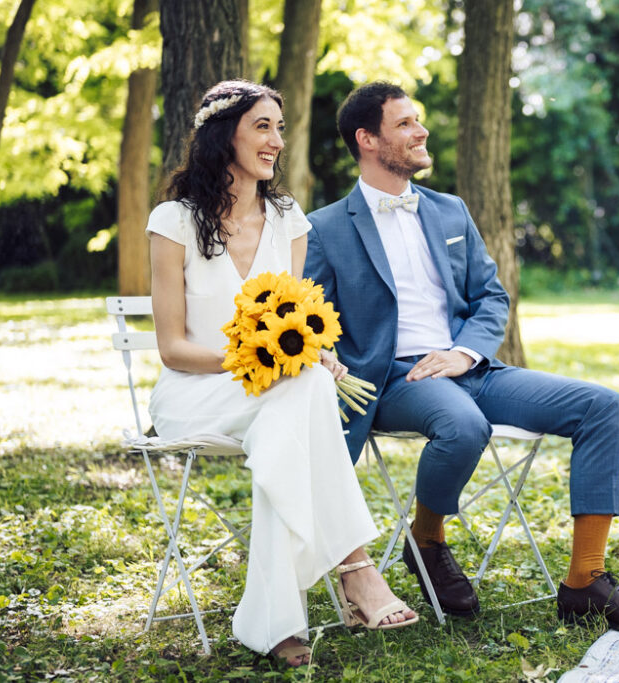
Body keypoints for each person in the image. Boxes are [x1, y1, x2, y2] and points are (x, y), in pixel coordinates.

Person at [304, 81, 619, 633]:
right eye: (404, 123)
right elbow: (312, 317)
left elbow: (491, 297)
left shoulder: (451, 211)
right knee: (464, 426)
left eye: (418, 120)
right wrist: (332, 364)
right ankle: (427, 540)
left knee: (602, 405)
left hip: (469, 367)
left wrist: (464, 352)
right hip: (393, 379)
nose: (421, 130)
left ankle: (585, 582)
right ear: (368, 139)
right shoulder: (325, 227)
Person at [146, 79, 417, 665]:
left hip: (278, 395)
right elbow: (172, 349)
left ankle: (277, 625)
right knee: (302, 393)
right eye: (261, 127)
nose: (276, 141)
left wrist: (309, 351)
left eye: (278, 128)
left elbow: (298, 315)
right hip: (196, 392)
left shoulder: (288, 218)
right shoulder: (173, 221)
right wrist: (261, 358)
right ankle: (356, 570)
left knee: (290, 416)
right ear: (226, 135)